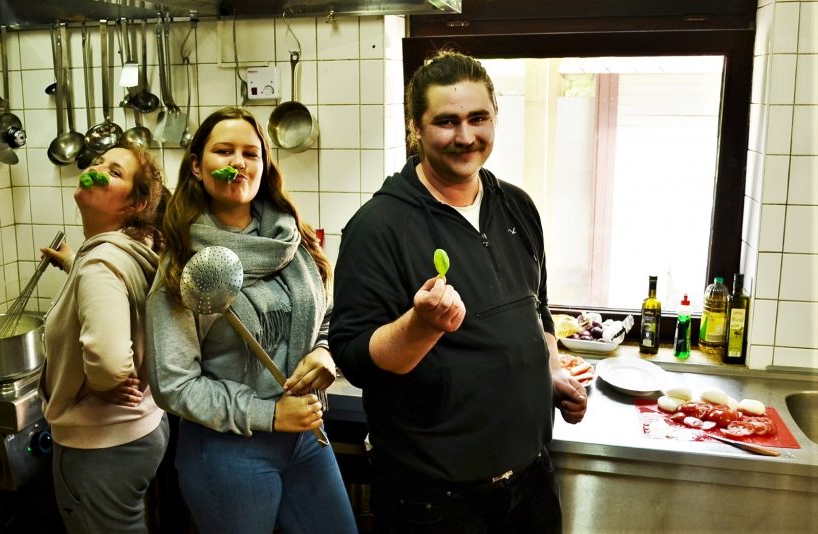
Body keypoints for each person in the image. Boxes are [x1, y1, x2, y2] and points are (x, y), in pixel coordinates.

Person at [329, 50, 588, 533]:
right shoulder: (378, 226)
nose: (466, 136)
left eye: (478, 118)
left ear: (495, 117)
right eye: (446, 122)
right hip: (435, 504)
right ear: (416, 129)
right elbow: (355, 359)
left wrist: (550, 371)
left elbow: (538, 311)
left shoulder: (517, 206)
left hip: (531, 484)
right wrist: (419, 326)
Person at [144, 107, 358, 534]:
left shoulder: (290, 238)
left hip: (305, 437)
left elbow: (328, 314)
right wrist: (269, 414)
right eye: (224, 151)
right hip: (226, 451)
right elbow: (174, 384)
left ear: (264, 165)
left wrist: (324, 352)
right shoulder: (187, 265)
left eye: (250, 153)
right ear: (197, 166)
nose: (238, 162)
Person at [39, 145, 170, 534]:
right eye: (98, 163)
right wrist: (72, 262)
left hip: (101, 445)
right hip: (144, 427)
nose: (96, 170)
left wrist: (104, 382)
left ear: (135, 204)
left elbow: (110, 363)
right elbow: (120, 293)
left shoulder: (100, 263)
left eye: (114, 172)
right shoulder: (139, 246)